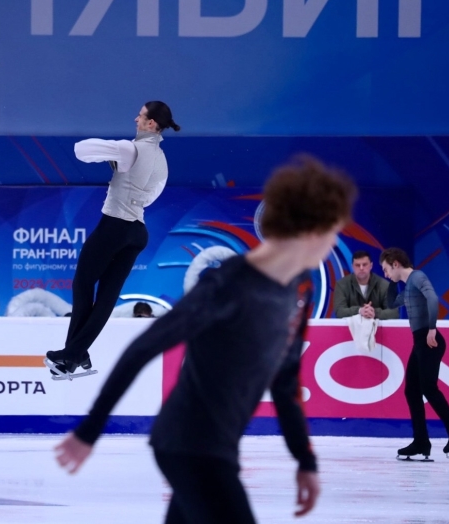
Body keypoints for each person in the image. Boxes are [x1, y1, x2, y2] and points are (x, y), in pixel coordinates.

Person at [54, 156, 357, 523]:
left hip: (219, 448)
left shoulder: (298, 291)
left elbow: (285, 384)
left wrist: (305, 461)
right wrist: (90, 429)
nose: (332, 242)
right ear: (310, 232)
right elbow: (144, 347)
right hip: (187, 445)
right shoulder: (228, 283)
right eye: (331, 231)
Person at [46, 101, 180, 376]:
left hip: (115, 226)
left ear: (151, 123)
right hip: (138, 231)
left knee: (82, 283)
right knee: (107, 296)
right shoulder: (162, 160)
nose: (135, 119)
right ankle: (76, 354)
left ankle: (73, 353)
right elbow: (152, 195)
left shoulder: (130, 149)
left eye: (140, 116)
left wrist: (114, 154)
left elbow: (81, 150)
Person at [380, 247, 449, 459]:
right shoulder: (407, 287)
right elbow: (390, 303)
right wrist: (392, 282)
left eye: (386, 269)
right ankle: (421, 441)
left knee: (429, 388)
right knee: (411, 391)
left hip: (430, 340)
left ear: (395, 264)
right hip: (420, 342)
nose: (385, 274)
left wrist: (432, 328)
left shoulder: (417, 277)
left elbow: (433, 298)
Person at [333, 250, 398, 319]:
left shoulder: (385, 285)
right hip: (350, 326)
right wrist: (359, 310)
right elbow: (339, 311)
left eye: (364, 264)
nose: (361, 268)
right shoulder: (342, 285)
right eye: (357, 265)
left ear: (371, 265)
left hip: (377, 326)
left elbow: (394, 313)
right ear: (352, 267)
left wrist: (374, 312)